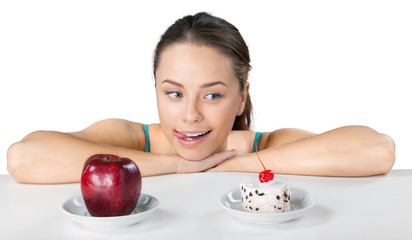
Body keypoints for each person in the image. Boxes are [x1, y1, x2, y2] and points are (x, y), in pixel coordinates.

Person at [7, 12, 396, 184]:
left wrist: (230, 165)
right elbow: (24, 157)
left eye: (212, 95)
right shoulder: (130, 138)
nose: (189, 115)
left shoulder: (266, 145)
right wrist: (175, 167)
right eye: (174, 93)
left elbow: (376, 151)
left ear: (241, 99)